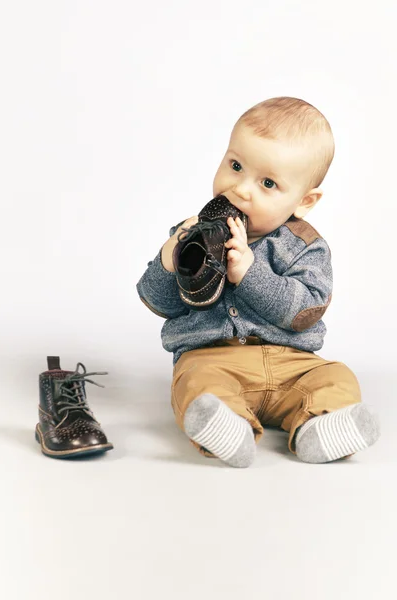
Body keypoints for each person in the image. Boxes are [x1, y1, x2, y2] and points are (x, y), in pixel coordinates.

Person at [136, 96, 380, 467]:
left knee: (335, 376)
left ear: (304, 201)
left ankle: (318, 426)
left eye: (268, 183)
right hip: (212, 358)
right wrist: (170, 258)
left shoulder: (304, 247)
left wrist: (250, 275)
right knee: (196, 382)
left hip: (292, 364)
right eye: (235, 165)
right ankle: (228, 425)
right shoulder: (193, 235)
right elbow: (159, 302)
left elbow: (305, 312)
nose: (242, 189)